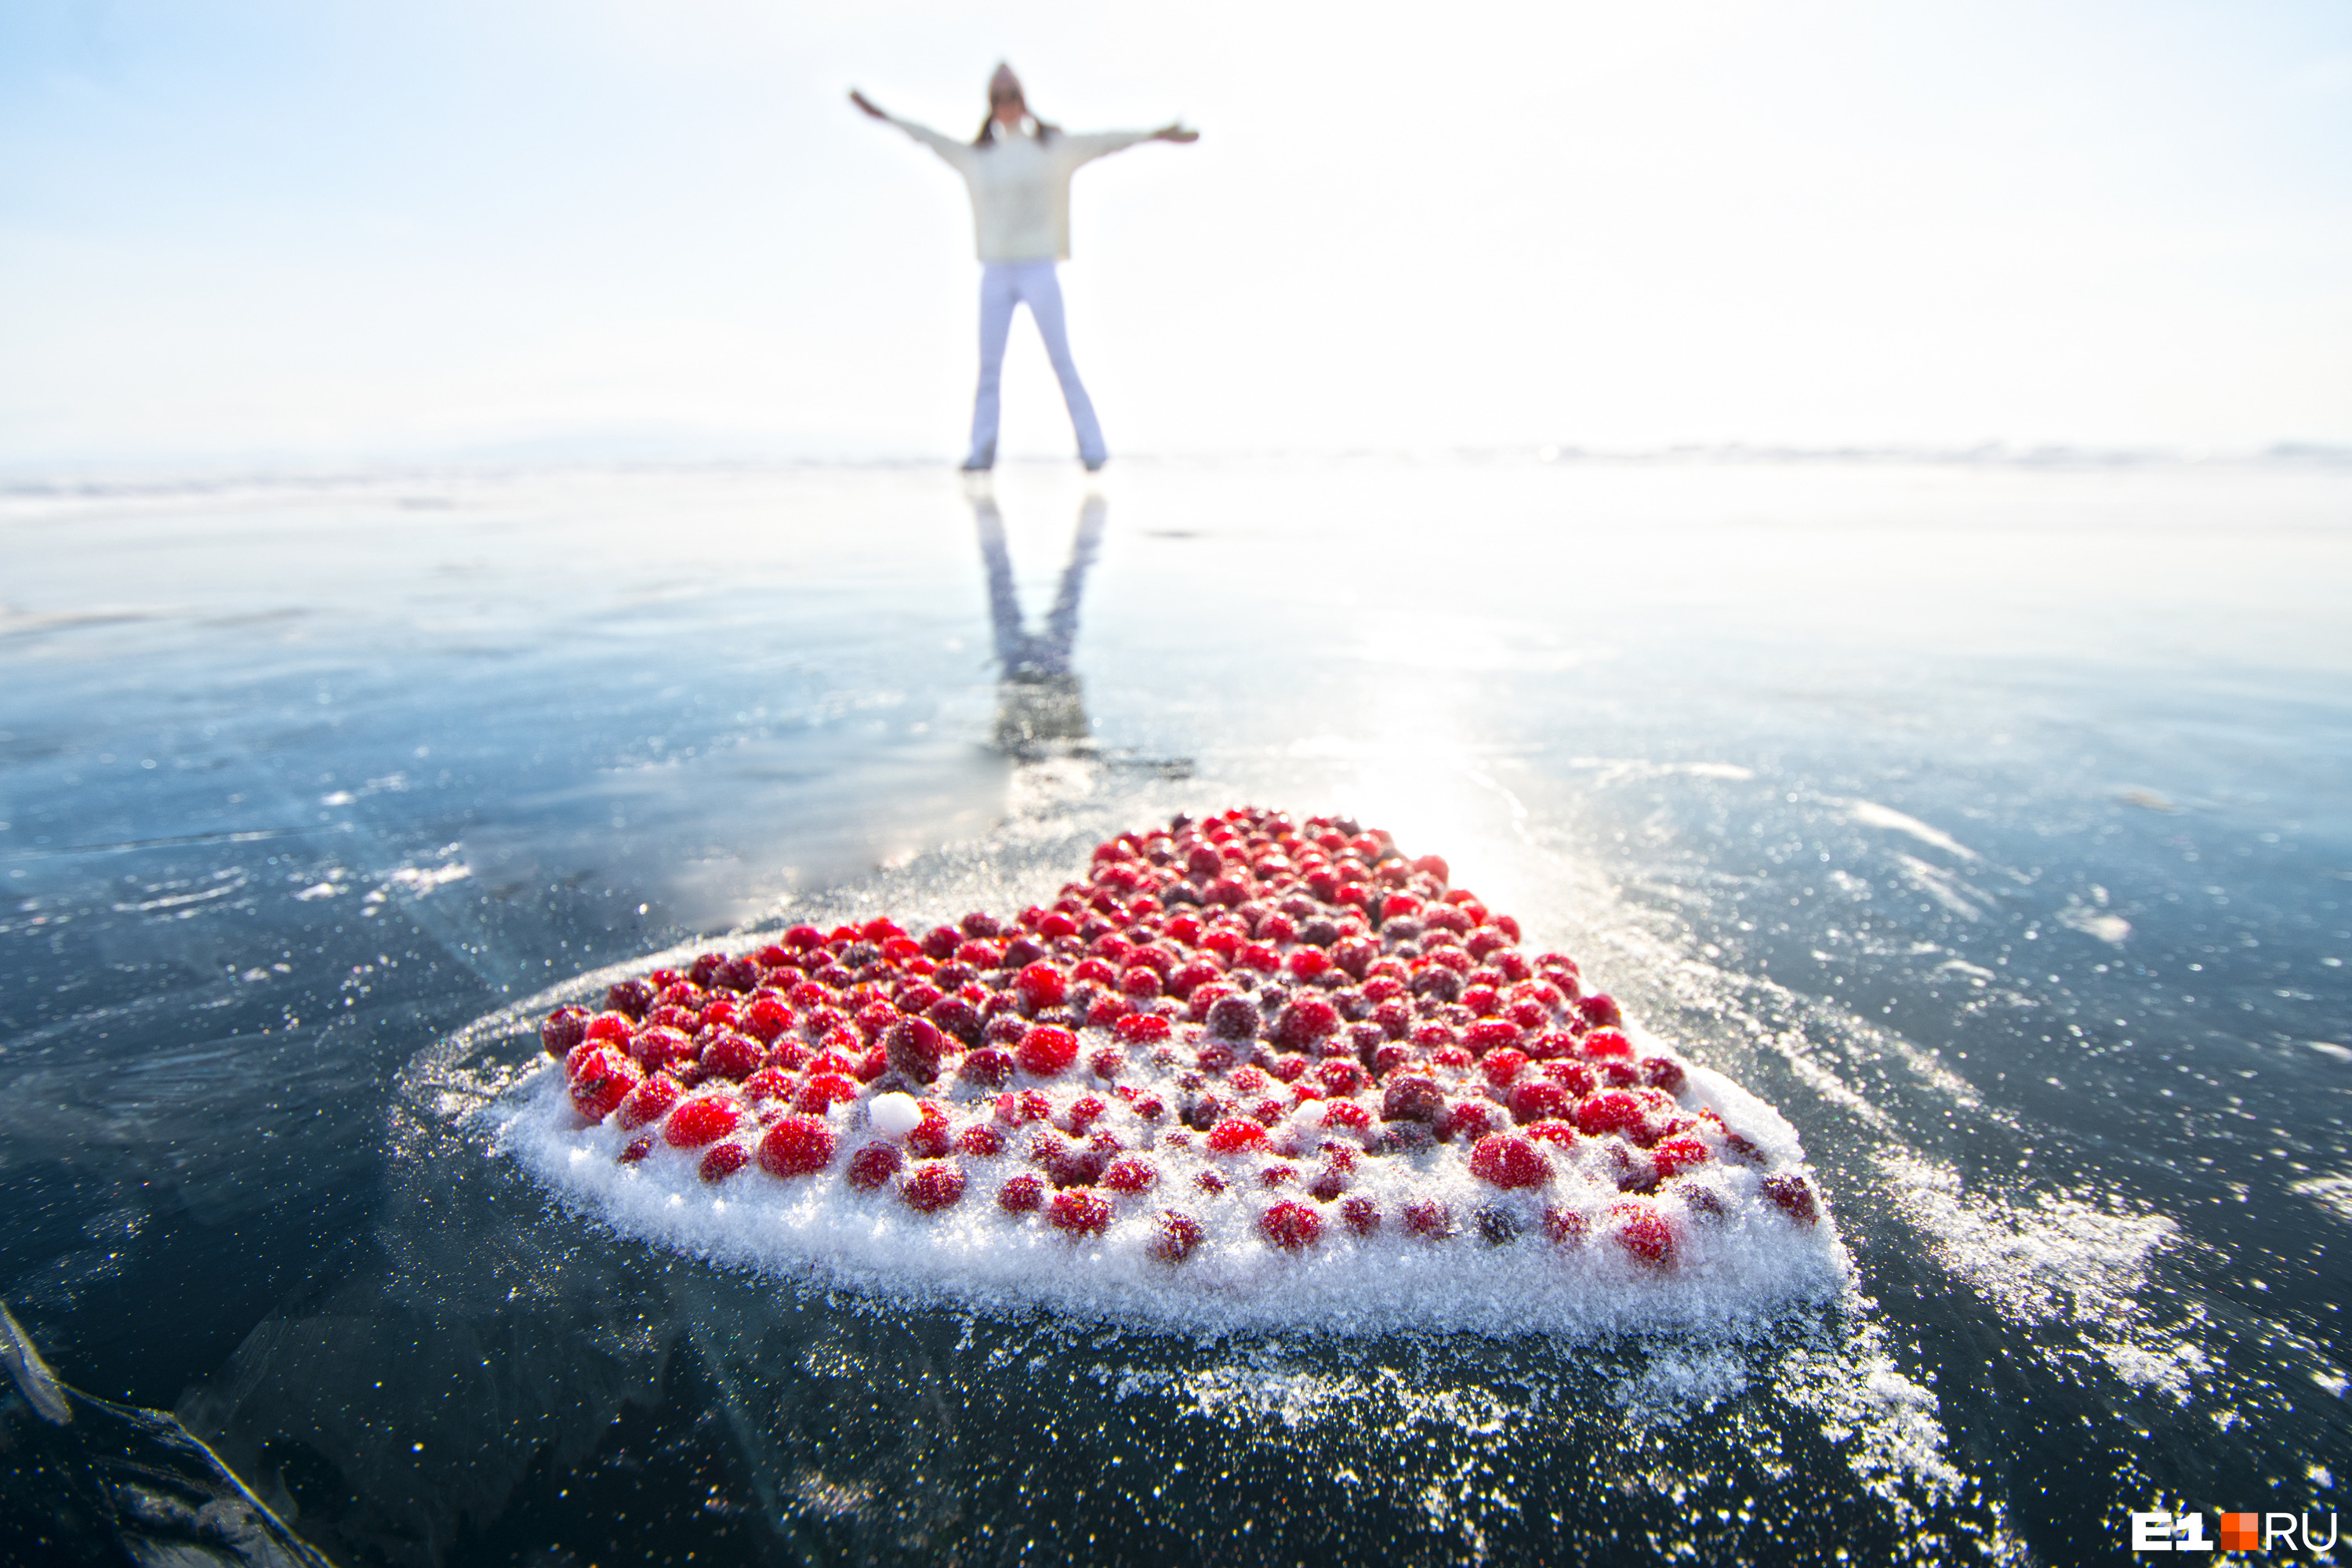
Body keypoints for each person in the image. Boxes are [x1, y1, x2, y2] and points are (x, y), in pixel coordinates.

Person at [851, 65, 1196, 473]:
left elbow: (1107, 142)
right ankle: (981, 451)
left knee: (1062, 359)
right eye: (999, 97)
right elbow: (926, 137)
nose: (1007, 104)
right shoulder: (975, 158)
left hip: (1039, 267)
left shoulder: (1051, 150)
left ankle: (1094, 449)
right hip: (996, 270)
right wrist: (883, 115)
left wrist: (1157, 134)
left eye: (1012, 94)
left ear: (1023, 100)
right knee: (989, 368)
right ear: (991, 107)